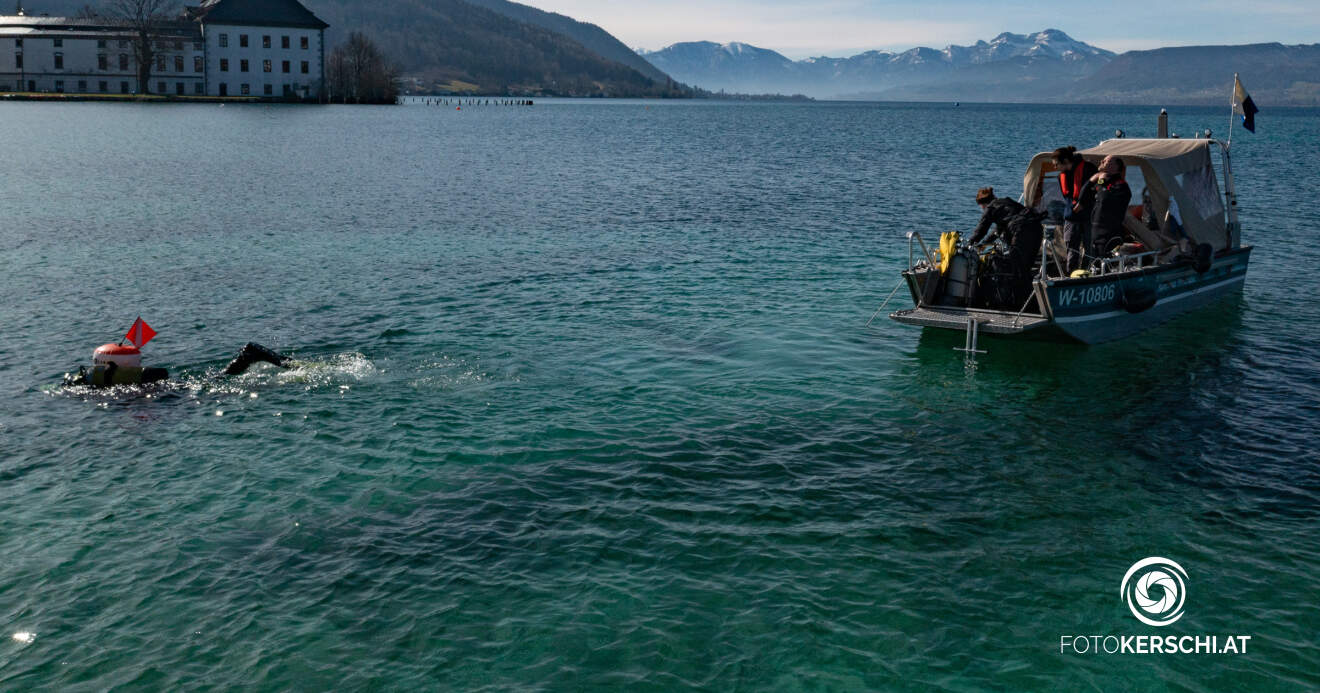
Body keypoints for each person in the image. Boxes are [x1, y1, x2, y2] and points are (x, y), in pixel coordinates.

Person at [64, 342, 292, 388]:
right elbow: (161, 372)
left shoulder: (95, 382)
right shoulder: (141, 376)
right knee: (220, 379)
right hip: (178, 391)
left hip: (179, 395)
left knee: (220, 381)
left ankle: (249, 355)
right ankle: (249, 355)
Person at [969, 186, 1044, 305]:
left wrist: (970, 243)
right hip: (1037, 230)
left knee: (1017, 268)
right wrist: (984, 243)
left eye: (981, 207)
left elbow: (981, 229)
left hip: (1022, 231)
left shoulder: (991, 208)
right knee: (1025, 267)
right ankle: (1031, 299)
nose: (982, 209)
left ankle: (1022, 302)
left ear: (983, 204)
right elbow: (997, 231)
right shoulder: (1005, 203)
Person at [1076, 155, 1132, 262]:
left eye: (1106, 161)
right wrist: (1092, 180)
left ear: (1115, 167)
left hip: (1110, 233)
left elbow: (1105, 199)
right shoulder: (1103, 182)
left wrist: (1101, 180)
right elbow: (1083, 196)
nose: (1102, 161)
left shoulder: (1121, 186)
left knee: (1107, 263)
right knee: (1094, 261)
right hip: (1095, 231)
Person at [1052, 146, 1098, 273]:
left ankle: (1088, 272)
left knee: (1090, 248)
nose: (1054, 168)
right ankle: (1071, 273)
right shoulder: (1060, 177)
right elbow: (1066, 197)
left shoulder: (1088, 168)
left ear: (1066, 161)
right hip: (1071, 218)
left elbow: (1096, 190)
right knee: (1071, 248)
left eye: (1056, 164)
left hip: (1088, 217)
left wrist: (1084, 202)